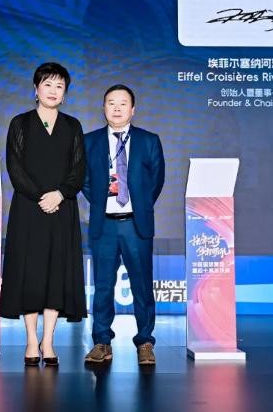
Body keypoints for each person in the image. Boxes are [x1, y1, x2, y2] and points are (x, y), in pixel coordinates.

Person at [0, 62, 87, 367]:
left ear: (65, 94)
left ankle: (48, 341)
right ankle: (30, 341)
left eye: (59, 86)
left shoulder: (73, 126)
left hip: (62, 208)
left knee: (55, 274)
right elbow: (15, 168)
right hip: (29, 209)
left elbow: (79, 169)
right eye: (47, 84)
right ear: (35, 89)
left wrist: (60, 194)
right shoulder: (20, 123)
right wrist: (41, 197)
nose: (53, 91)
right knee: (31, 274)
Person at [82, 84, 165, 365]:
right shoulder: (90, 141)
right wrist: (102, 201)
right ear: (103, 108)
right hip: (104, 225)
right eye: (111, 103)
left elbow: (156, 180)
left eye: (122, 103)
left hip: (135, 224)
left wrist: (137, 204)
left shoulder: (149, 140)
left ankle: (145, 342)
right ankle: (101, 342)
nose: (116, 108)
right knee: (103, 286)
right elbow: (84, 180)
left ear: (133, 109)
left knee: (142, 286)